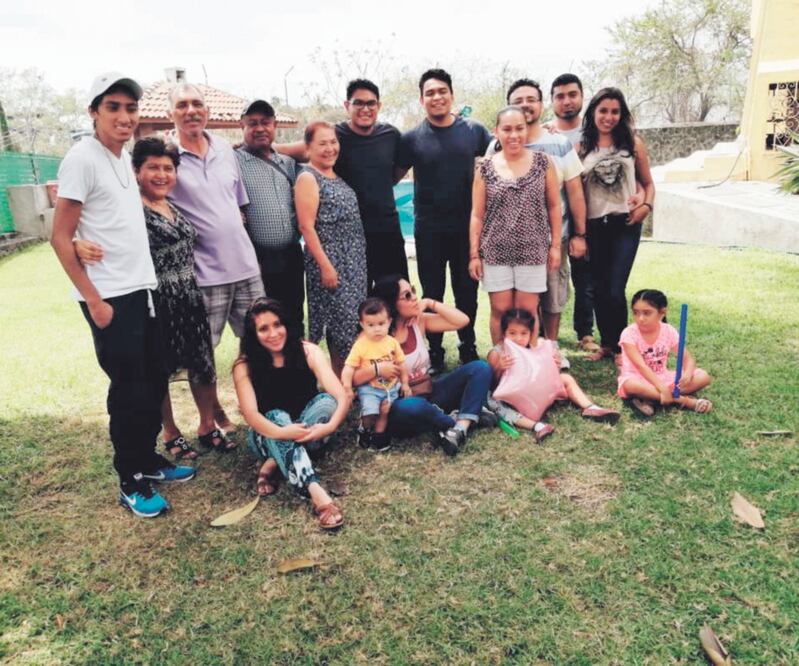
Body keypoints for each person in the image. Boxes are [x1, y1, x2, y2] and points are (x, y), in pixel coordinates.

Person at [50, 73, 194, 519]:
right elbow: (60, 235)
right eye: (113, 107)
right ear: (94, 112)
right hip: (111, 297)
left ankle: (148, 459)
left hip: (142, 290)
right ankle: (129, 479)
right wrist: (94, 300)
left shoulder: (122, 159)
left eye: (130, 108)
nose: (124, 117)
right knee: (129, 390)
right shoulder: (82, 158)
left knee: (152, 382)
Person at [74, 137, 224, 459]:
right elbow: (92, 223)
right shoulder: (130, 207)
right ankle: (170, 432)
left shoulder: (173, 205)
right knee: (161, 371)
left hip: (190, 295)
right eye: (152, 167)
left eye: (168, 168)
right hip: (156, 299)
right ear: (136, 171)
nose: (161, 174)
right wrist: (76, 242)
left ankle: (207, 425)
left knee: (203, 363)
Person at [166, 83, 265, 444]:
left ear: (207, 110)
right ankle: (209, 421)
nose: (191, 110)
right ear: (170, 114)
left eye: (197, 104)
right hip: (203, 274)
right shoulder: (166, 153)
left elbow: (237, 205)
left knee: (258, 344)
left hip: (246, 267)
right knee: (201, 354)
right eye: (182, 105)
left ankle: (259, 408)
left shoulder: (225, 150)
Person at [486, 78, 588, 367]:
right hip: (508, 244)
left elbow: (573, 191)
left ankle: (551, 348)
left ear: (541, 105)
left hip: (555, 235)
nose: (525, 105)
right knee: (513, 305)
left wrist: (578, 234)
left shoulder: (558, 143)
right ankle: (511, 357)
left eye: (531, 99)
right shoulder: (495, 147)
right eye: (518, 101)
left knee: (552, 298)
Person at [397, 69, 493, 372]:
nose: (436, 97)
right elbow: (390, 175)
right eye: (430, 93)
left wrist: (540, 131)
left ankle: (468, 347)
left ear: (451, 95)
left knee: (467, 291)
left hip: (467, 229)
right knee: (431, 293)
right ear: (421, 100)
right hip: (429, 230)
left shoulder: (474, 131)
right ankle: (435, 353)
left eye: (442, 91)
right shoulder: (411, 138)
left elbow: (506, 148)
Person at [274, 79, 408, 288]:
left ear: (379, 106)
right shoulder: (335, 137)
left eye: (371, 103)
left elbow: (398, 171)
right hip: (351, 238)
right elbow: (295, 150)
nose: (365, 109)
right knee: (360, 303)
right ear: (347, 106)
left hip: (387, 232)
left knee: (398, 294)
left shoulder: (391, 135)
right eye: (358, 103)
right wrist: (256, 147)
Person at [233, 298, 349, 529]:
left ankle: (273, 463)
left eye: (277, 324)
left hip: (312, 431)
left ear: (287, 324)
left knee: (326, 402)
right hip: (267, 434)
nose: (273, 333)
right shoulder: (244, 366)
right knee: (276, 415)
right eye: (263, 329)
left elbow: (342, 396)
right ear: (253, 334)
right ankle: (317, 494)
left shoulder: (309, 351)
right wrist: (282, 432)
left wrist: (330, 426)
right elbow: (252, 416)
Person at [367, 275, 495, 456]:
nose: (414, 298)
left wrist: (430, 303)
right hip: (400, 407)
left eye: (413, 291)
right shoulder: (376, 335)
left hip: (431, 394)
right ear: (390, 304)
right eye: (407, 296)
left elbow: (462, 321)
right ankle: (461, 418)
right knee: (412, 406)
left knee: (480, 368)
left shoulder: (418, 321)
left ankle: (460, 426)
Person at [469, 106, 562, 345]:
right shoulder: (485, 167)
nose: (513, 135)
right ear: (496, 132)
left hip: (532, 249)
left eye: (519, 128)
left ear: (527, 130)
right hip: (495, 250)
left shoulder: (544, 163)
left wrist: (555, 246)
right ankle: (502, 366)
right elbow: (477, 214)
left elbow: (553, 206)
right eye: (507, 129)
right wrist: (474, 255)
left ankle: (530, 368)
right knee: (500, 310)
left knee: (528, 312)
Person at [579, 87, 655, 363]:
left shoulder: (633, 143)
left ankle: (624, 346)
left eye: (614, 111)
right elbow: (575, 193)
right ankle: (607, 344)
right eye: (603, 111)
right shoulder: (582, 148)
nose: (608, 117)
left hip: (625, 224)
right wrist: (579, 231)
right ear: (593, 113)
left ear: (621, 114)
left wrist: (646, 206)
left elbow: (648, 183)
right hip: (595, 226)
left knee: (614, 287)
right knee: (598, 288)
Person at [295, 121, 368, 375]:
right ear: (308, 147)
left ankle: (346, 383)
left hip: (353, 262)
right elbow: (306, 227)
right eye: (322, 143)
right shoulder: (308, 177)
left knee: (349, 325)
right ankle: (343, 384)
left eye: (333, 142)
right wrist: (326, 266)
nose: (330, 148)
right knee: (341, 326)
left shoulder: (336, 176)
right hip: (331, 261)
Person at [487, 308, 620, 442]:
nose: (518, 338)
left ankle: (590, 408)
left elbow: (544, 374)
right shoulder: (498, 353)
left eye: (524, 333)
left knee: (565, 378)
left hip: (537, 392)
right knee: (494, 404)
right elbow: (492, 385)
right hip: (512, 398)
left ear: (531, 333)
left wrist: (553, 366)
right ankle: (537, 426)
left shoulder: (536, 348)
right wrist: (499, 368)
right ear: (504, 334)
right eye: (512, 333)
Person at [236, 99, 304, 335]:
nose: (260, 128)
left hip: (291, 256)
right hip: (257, 260)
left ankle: (298, 369)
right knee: (263, 323)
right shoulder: (232, 162)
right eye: (252, 123)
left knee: (294, 318)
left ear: (274, 125)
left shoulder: (288, 163)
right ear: (242, 126)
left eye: (265, 122)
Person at [549, 73, 599, 354]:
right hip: (556, 223)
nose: (567, 101)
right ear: (552, 100)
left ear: (581, 97)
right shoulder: (546, 134)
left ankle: (585, 331)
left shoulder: (594, 133)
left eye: (572, 95)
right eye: (560, 96)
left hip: (587, 217)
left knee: (585, 278)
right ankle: (546, 333)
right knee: (552, 280)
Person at [618, 290, 712, 416]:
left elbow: (688, 359)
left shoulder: (668, 331)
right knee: (631, 385)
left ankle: (650, 398)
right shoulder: (628, 333)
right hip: (638, 378)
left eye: (647, 313)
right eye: (636, 313)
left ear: (662, 312)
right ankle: (683, 401)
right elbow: (641, 366)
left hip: (662, 376)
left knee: (703, 376)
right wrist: (662, 388)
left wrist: (688, 374)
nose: (640, 318)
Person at [341, 297, 411, 451]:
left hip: (391, 387)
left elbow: (401, 364)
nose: (377, 329)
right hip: (369, 388)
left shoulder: (392, 342)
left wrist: (405, 383)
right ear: (362, 324)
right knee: (371, 412)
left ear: (389, 321)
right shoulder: (361, 345)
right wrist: (347, 387)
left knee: (384, 412)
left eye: (381, 324)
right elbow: (348, 368)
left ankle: (379, 437)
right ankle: (365, 429)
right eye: (370, 325)